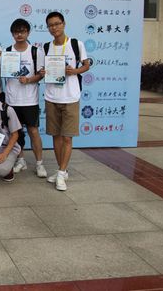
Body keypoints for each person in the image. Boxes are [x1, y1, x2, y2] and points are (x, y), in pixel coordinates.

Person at [0, 18, 47, 178]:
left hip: (30, 100)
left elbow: (41, 74)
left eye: (22, 31)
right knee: (15, 132)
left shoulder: (36, 52)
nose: (19, 34)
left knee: (33, 131)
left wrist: (29, 80)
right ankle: (21, 160)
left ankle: (39, 163)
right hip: (11, 100)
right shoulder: (7, 51)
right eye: (16, 32)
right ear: (12, 34)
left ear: (28, 32)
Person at [43, 12, 90, 191]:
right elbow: (42, 69)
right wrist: (43, 72)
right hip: (51, 96)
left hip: (70, 97)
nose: (54, 28)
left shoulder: (76, 44)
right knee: (55, 136)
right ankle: (61, 170)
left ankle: (62, 173)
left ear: (63, 24)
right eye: (50, 25)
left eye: (57, 24)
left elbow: (86, 65)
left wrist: (74, 71)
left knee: (67, 137)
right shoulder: (46, 46)